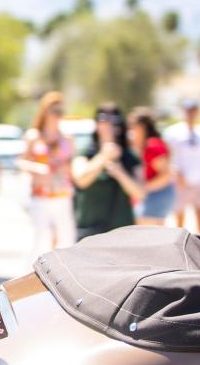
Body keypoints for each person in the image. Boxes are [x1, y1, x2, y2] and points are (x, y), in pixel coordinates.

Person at [71, 103, 144, 241]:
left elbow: (140, 193)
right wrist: (103, 157)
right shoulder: (86, 153)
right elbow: (80, 180)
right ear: (96, 124)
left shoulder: (130, 157)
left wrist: (120, 172)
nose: (108, 125)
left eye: (114, 121)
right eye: (103, 120)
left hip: (121, 231)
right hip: (89, 231)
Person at [17, 91, 75, 256]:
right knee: (40, 240)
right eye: (54, 111)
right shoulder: (34, 136)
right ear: (45, 111)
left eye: (60, 112)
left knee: (65, 240)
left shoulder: (67, 139)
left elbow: (72, 164)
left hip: (62, 194)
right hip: (40, 194)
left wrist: (66, 167)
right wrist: (37, 168)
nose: (57, 116)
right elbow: (21, 162)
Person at [163, 99, 200, 232]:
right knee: (179, 221)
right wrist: (176, 174)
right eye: (188, 111)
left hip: (199, 181)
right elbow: (166, 156)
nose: (191, 114)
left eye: (194, 111)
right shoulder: (172, 132)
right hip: (181, 181)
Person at [127, 107, 175, 226]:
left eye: (133, 126)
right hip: (155, 194)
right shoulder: (146, 145)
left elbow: (166, 175)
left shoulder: (152, 145)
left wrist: (143, 188)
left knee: (148, 235)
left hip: (158, 194)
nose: (130, 130)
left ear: (142, 127)